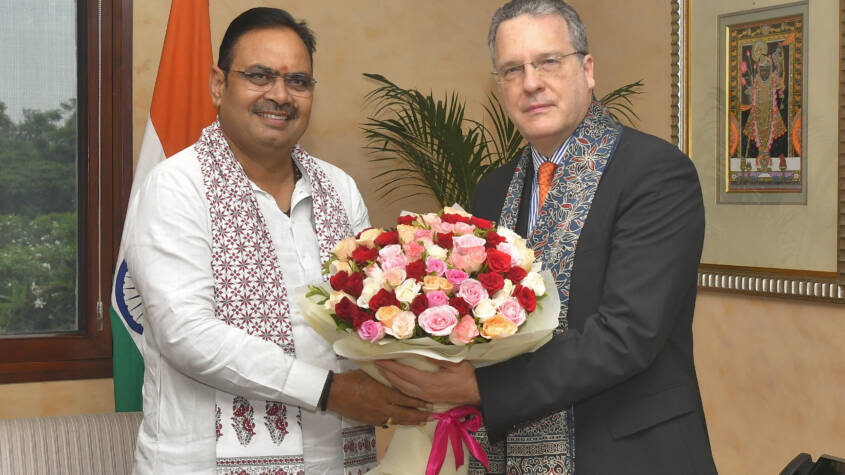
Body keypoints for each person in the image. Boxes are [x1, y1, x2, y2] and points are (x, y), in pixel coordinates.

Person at [376, 1, 718, 473]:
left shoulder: (655, 174)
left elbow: (628, 334)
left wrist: (478, 388)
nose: (531, 83)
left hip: (629, 455)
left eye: (548, 62)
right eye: (512, 70)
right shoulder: (492, 189)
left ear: (588, 69)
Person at [123, 7, 428, 474]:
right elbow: (186, 334)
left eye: (298, 81)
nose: (280, 95)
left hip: (336, 459)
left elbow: (370, 315)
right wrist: (328, 390)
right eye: (259, 76)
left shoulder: (339, 189)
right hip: (202, 463)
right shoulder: (177, 186)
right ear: (218, 84)